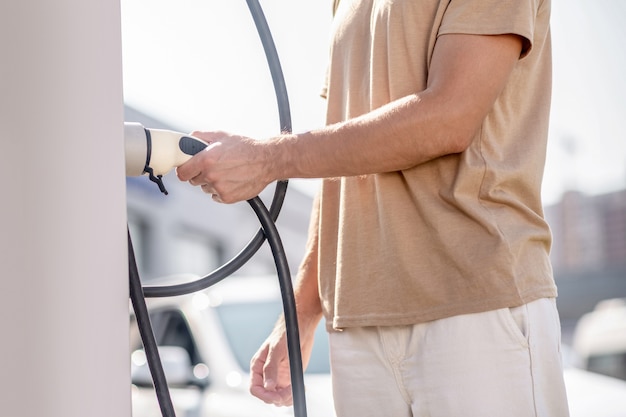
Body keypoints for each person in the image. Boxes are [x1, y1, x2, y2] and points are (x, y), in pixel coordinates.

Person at [177, 0, 570, 415]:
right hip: (359, 325)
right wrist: (300, 315)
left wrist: (267, 159)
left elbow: (449, 117)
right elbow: (341, 153)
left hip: (474, 307)